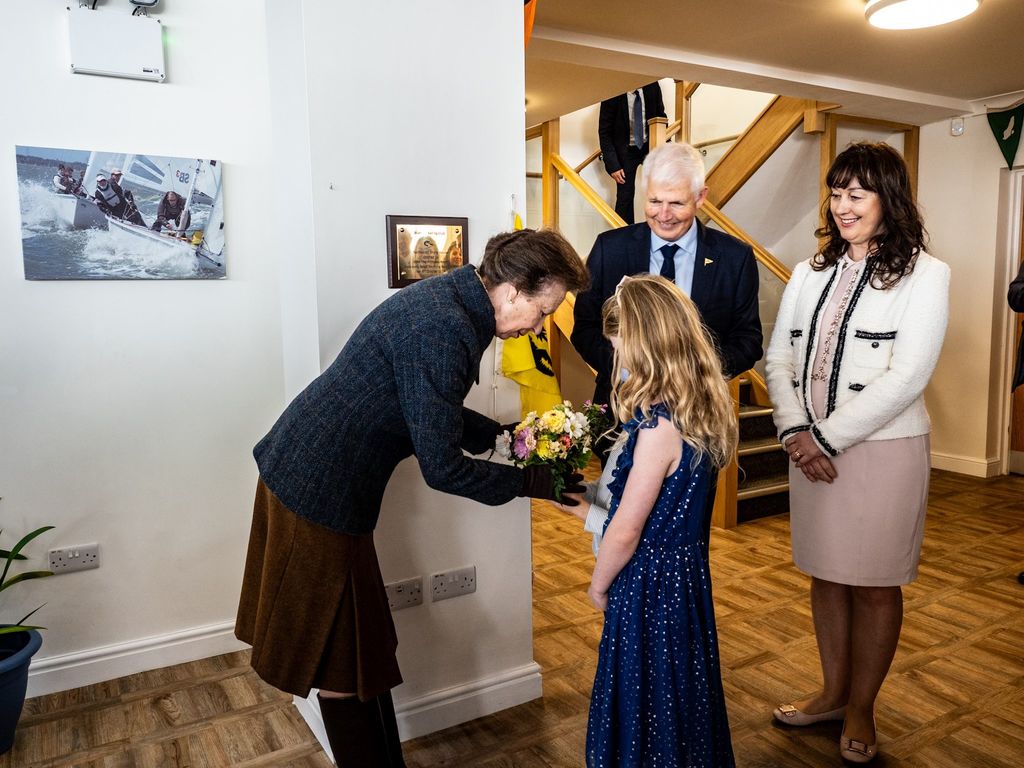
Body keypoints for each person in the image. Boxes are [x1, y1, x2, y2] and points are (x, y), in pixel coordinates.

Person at [235, 228, 589, 767]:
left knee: (365, 651)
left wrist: (502, 437)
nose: (541, 326)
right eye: (544, 311)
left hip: (319, 481)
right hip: (316, 489)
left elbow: (428, 407)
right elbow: (442, 468)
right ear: (514, 289)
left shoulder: (453, 300)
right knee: (341, 663)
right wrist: (532, 483)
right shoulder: (444, 327)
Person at [764, 142, 950, 764]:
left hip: (881, 453)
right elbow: (779, 358)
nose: (843, 207)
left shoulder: (928, 274)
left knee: (873, 583)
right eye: (836, 193)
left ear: (887, 200)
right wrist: (794, 430)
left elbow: (908, 376)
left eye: (857, 194)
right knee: (826, 575)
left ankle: (863, 708)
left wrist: (823, 439)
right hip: (806, 448)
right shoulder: (808, 270)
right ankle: (831, 693)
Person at [555, 274, 737, 766]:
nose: (620, 362)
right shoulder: (702, 407)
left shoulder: (658, 428)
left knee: (645, 689)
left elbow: (628, 528)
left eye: (620, 350)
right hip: (685, 576)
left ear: (644, 346)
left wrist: (597, 584)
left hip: (647, 580)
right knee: (679, 683)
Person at [572, 140, 762, 467]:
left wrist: (690, 374)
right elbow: (585, 328)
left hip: (698, 424)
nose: (663, 215)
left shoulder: (735, 258)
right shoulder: (609, 249)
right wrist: (629, 369)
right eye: (654, 201)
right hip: (620, 417)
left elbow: (749, 341)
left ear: (701, 197)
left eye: (676, 203)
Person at [598, 82, 666, 224]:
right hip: (626, 150)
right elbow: (604, 132)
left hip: (650, 146)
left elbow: (661, 116)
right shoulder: (612, 91)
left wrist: (666, 147)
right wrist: (613, 165)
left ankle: (660, 229)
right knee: (625, 196)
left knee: (660, 189)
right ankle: (624, 236)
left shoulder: (652, 86)